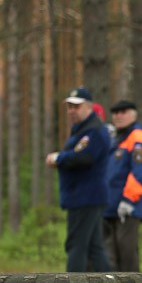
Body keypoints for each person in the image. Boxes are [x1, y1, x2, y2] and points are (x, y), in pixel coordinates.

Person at [45, 86, 111, 272]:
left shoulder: (93, 131)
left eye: (76, 106)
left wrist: (59, 158)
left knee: (76, 245)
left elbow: (84, 157)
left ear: (88, 107)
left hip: (85, 197)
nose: (71, 111)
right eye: (69, 107)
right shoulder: (82, 130)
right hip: (84, 197)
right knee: (94, 248)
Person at [103, 100, 142, 272]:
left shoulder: (137, 136)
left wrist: (129, 200)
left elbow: (141, 171)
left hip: (127, 207)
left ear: (133, 114)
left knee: (127, 255)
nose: (119, 115)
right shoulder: (115, 137)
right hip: (110, 207)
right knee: (110, 257)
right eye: (116, 112)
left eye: (123, 112)